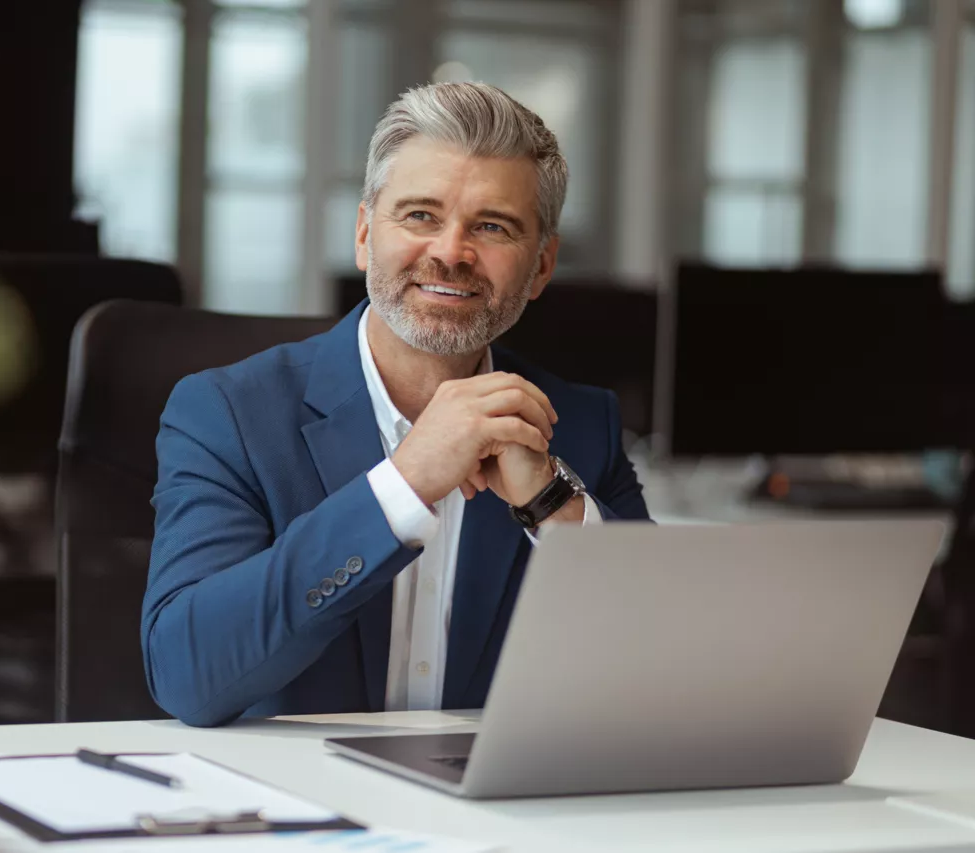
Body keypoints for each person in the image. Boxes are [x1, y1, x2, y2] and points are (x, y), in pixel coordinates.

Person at [143, 82, 649, 728]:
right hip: (294, 811)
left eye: (492, 226)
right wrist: (403, 484)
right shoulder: (226, 413)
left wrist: (549, 503)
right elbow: (188, 676)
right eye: (419, 215)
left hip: (493, 817)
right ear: (363, 234)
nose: (450, 251)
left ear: (542, 265)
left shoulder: (580, 425)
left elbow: (666, 671)